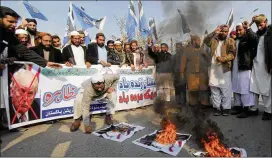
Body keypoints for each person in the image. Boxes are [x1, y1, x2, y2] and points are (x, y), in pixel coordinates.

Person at [0, 6, 62, 71]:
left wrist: (45, 63)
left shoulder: (9, 34)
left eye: (15, 22)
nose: (14, 25)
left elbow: (24, 51)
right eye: (10, 21)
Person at [203, 24, 236, 116]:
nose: (224, 33)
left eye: (226, 31)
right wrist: (214, 32)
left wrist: (223, 59)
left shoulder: (231, 41)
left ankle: (226, 108)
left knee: (225, 88)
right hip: (213, 67)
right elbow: (205, 41)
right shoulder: (214, 40)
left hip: (225, 67)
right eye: (222, 31)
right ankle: (217, 107)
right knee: (214, 87)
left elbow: (232, 54)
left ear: (228, 32)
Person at [230, 23, 258, 118]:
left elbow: (254, 39)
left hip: (245, 67)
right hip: (236, 66)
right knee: (236, 87)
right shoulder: (237, 39)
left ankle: (246, 109)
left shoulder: (248, 38)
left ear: (244, 30)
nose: (238, 32)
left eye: (240, 30)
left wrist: (248, 28)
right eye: (237, 30)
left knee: (245, 88)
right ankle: (238, 107)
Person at [249, 14, 272, 120]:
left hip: (265, 66)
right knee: (254, 88)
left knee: (266, 88)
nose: (259, 27)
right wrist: (251, 23)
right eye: (257, 24)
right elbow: (248, 35)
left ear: (266, 22)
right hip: (255, 64)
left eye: (261, 24)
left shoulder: (270, 33)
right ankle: (254, 109)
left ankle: (268, 111)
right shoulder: (257, 35)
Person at [180, 35, 210, 108]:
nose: (199, 42)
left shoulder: (202, 49)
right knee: (193, 91)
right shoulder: (187, 50)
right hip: (191, 74)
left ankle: (205, 104)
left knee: (204, 89)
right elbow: (183, 62)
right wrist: (181, 73)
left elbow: (209, 60)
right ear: (194, 41)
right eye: (198, 40)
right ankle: (193, 104)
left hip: (202, 74)